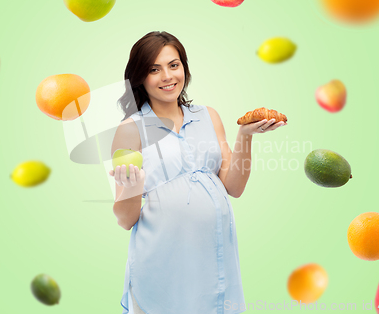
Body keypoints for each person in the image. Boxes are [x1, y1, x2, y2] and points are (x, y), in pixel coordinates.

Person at [109, 31, 286, 314]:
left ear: (184, 68)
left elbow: (234, 187)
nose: (167, 76)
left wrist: (246, 135)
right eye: (155, 69)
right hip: (162, 261)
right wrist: (132, 186)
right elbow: (125, 220)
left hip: (213, 256)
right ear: (140, 77)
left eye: (174, 65)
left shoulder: (208, 116)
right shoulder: (131, 129)